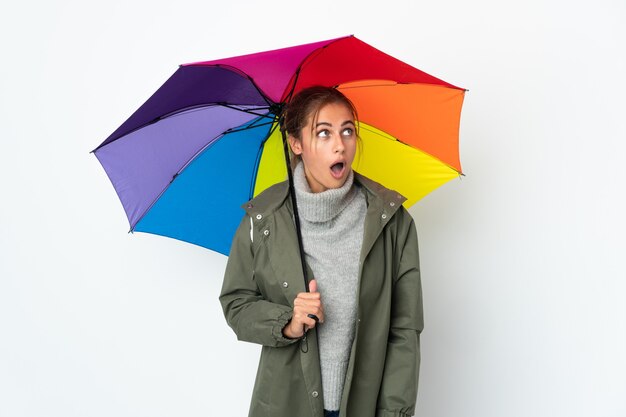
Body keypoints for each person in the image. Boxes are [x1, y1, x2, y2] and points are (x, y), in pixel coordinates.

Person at [219, 86, 423, 417]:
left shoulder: (392, 222)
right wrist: (287, 321)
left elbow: (405, 331)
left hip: (364, 405)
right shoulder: (263, 219)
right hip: (286, 403)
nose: (340, 144)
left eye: (347, 131)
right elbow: (236, 303)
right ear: (296, 143)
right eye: (323, 133)